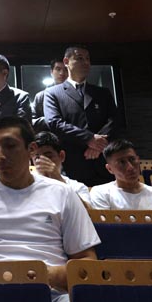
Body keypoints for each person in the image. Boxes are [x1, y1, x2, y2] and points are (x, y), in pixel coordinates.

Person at [0, 116, 99, 302]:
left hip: (50, 293)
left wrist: (45, 275)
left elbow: (87, 261)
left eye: (10, 146)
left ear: (31, 150)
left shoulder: (63, 193)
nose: (0, 155)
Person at [43, 45, 124, 186]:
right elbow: (54, 123)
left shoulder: (102, 92)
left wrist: (97, 145)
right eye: (80, 58)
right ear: (66, 61)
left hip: (103, 161)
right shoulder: (53, 93)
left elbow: (115, 120)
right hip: (72, 163)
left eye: (88, 59)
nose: (86, 62)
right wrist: (89, 138)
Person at [90, 139, 152, 210]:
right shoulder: (101, 193)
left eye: (132, 159)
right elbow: (104, 227)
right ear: (110, 169)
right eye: (121, 162)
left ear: (138, 160)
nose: (130, 167)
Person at [31, 131, 91, 206]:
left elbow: (89, 213)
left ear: (62, 156)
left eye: (48, 157)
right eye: (37, 157)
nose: (43, 161)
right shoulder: (24, 182)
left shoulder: (77, 187)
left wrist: (59, 180)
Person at [31, 59, 68, 131]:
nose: (62, 73)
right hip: (47, 137)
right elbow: (32, 121)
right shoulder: (40, 96)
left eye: (66, 69)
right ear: (51, 72)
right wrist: (51, 118)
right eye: (58, 69)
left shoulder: (76, 94)